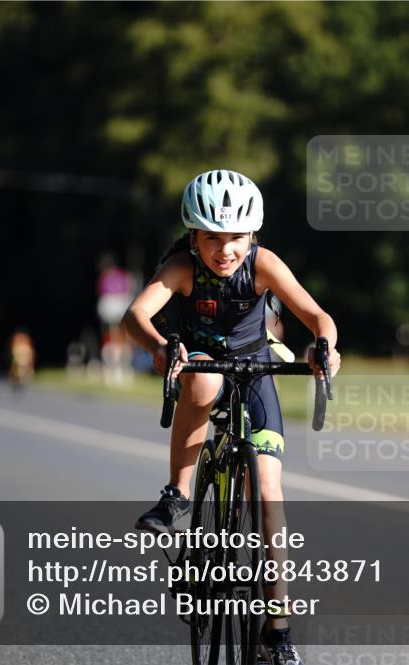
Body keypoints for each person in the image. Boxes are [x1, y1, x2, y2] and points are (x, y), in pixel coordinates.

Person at [122, 169, 340, 665]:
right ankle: (177, 497)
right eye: (211, 237)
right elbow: (135, 316)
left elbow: (318, 318)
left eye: (237, 237)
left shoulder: (264, 264)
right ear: (193, 236)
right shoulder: (180, 267)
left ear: (253, 235)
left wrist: (325, 348)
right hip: (201, 364)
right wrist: (159, 347)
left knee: (267, 495)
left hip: (255, 365)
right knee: (200, 379)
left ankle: (276, 631)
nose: (225, 250)